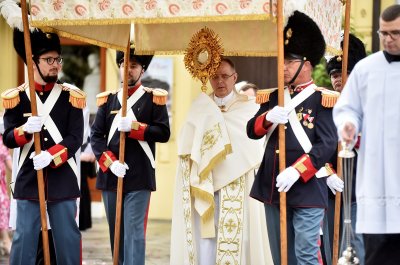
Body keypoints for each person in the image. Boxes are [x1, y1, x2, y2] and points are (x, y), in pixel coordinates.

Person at [247, 11, 338, 265]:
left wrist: (297, 171)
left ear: (306, 65)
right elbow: (251, 131)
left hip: (308, 188)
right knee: (281, 257)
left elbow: (327, 143)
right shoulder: (275, 96)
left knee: (306, 255)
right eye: (282, 61)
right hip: (274, 187)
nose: (283, 67)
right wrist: (267, 119)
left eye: (289, 61)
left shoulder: (323, 99)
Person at [170, 57, 272, 265]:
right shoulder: (199, 108)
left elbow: (255, 149)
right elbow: (187, 148)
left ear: (235, 78)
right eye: (215, 77)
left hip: (239, 185)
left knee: (241, 238)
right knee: (205, 239)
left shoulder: (250, 109)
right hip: (205, 184)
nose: (220, 81)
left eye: (225, 76)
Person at [1, 28, 85, 265]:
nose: (55, 65)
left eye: (57, 59)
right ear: (33, 62)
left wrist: (51, 156)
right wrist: (24, 130)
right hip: (28, 180)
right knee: (24, 241)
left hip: (63, 180)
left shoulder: (71, 97)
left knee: (68, 242)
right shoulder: (17, 98)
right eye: (48, 60)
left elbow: (75, 138)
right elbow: (8, 137)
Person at [333, 4, 400, 265]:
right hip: (378, 178)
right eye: (383, 33)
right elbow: (348, 108)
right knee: (377, 255)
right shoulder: (366, 69)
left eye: (394, 33)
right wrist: (349, 124)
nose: (388, 39)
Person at [90, 47, 170, 265]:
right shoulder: (108, 102)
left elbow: (163, 133)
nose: (128, 70)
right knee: (116, 233)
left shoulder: (154, 100)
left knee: (134, 232)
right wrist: (110, 162)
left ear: (142, 70)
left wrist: (135, 128)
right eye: (124, 64)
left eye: (133, 65)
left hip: (139, 176)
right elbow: (96, 137)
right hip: (111, 176)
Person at [323, 33, 367, 265]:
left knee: (354, 245)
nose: (338, 79)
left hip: (361, 185)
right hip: (330, 186)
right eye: (334, 74)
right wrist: (328, 174)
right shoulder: (325, 104)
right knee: (331, 246)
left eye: (343, 73)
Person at [0, 116, 12, 256]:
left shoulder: (2, 143)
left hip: (1, 185)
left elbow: (9, 163)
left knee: (3, 204)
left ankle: (5, 240)